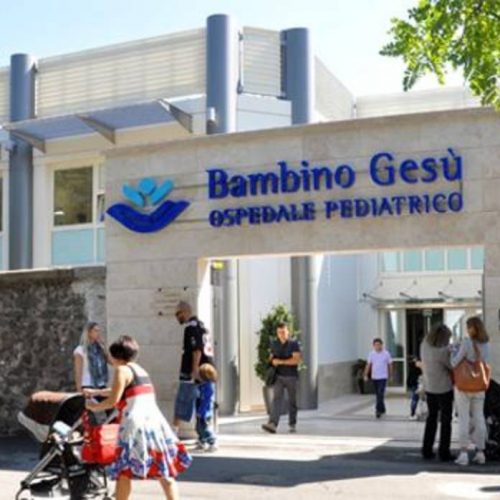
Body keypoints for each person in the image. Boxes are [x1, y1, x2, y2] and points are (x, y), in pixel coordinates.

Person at [85, 335, 191, 500]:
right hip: (155, 424)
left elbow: (113, 399)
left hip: (134, 425)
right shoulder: (140, 370)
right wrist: (96, 392)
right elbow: (124, 390)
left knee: (124, 472)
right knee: (163, 469)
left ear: (115, 355)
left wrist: (93, 406)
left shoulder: (122, 370)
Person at [173, 301, 215, 447]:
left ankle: (174, 433)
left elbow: (196, 350)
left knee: (182, 400)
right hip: (207, 372)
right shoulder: (203, 326)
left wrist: (194, 370)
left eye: (178, 313)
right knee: (202, 405)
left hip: (195, 373)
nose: (177, 317)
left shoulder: (191, 328)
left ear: (185, 312)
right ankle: (203, 437)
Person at [451, 316, 490, 466]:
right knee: (479, 418)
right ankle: (480, 453)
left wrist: (453, 351)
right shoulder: (486, 343)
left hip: (464, 386)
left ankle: (463, 454)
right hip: (479, 385)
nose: (467, 330)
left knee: (464, 419)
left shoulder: (467, 343)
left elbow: (454, 362)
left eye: (468, 327)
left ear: (473, 328)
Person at [420, 324, 454, 461]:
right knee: (446, 420)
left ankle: (426, 449)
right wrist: (451, 351)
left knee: (431, 418)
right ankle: (444, 452)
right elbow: (451, 365)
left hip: (430, 387)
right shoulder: (442, 352)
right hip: (444, 388)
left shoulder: (424, 345)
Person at [262, 322, 301, 434]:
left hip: (291, 377)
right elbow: (271, 358)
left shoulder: (294, 344)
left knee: (292, 401)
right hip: (278, 376)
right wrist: (272, 361)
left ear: (288, 332)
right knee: (276, 400)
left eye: (283, 332)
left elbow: (296, 360)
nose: (281, 335)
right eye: (279, 332)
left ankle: (292, 423)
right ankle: (272, 424)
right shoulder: (275, 344)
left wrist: (281, 361)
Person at [73, 322, 108, 393]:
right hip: (87, 385)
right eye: (96, 330)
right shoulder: (80, 350)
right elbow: (78, 372)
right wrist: (79, 390)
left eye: (99, 331)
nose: (98, 333)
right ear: (89, 332)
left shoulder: (100, 349)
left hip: (101, 385)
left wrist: (104, 347)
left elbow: (112, 361)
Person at [364, 338, 392, 418]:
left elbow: (390, 365)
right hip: (375, 377)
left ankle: (378, 410)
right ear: (373, 346)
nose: (377, 346)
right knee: (378, 395)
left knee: (380, 393)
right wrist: (365, 375)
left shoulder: (386, 353)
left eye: (379, 345)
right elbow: (368, 365)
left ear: (381, 345)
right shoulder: (371, 354)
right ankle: (382, 409)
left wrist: (390, 375)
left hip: (383, 377)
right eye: (375, 345)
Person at [195, 363, 218, 451]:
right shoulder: (203, 385)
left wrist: (201, 411)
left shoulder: (208, 387)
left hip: (205, 412)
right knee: (199, 428)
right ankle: (202, 442)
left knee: (203, 428)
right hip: (202, 411)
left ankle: (212, 442)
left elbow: (206, 401)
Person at [407, 356, 423, 420]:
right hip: (418, 384)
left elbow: (409, 377)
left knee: (415, 399)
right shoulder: (417, 366)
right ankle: (413, 413)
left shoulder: (411, 366)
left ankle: (413, 413)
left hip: (415, 384)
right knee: (416, 399)